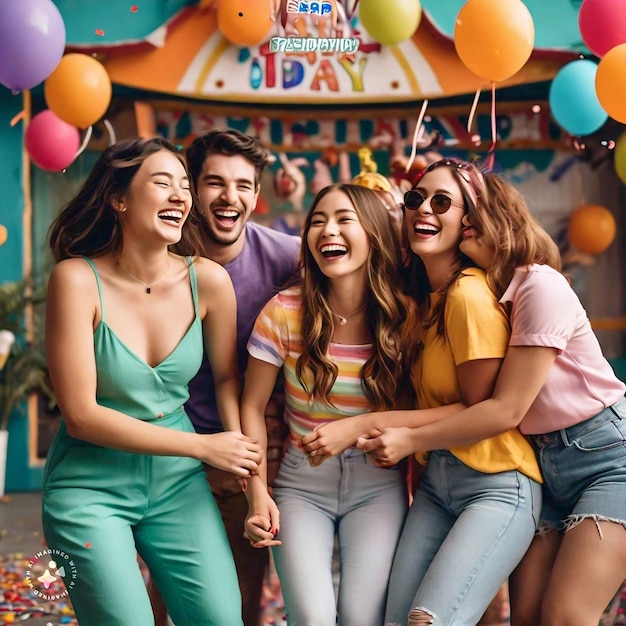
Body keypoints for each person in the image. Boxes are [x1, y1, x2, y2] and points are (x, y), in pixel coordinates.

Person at [359, 171, 626, 626]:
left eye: (464, 214)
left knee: (566, 615)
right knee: (524, 616)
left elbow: (505, 409)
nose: (463, 228)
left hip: (605, 458)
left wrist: (407, 439)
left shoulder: (538, 284)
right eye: (418, 200)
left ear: (502, 217)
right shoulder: (491, 292)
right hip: (547, 463)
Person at [302, 158, 543, 626]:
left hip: (495, 481)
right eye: (415, 199)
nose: (423, 209)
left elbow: (486, 410)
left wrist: (372, 427)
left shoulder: (468, 295)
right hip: (439, 485)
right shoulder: (424, 300)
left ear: (468, 220)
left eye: (441, 201)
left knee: (426, 620)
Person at [42, 137, 262, 625]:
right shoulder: (75, 281)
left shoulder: (208, 281)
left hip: (176, 486)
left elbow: (227, 380)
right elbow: (81, 416)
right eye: (162, 182)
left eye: (185, 184)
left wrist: (251, 481)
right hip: (88, 486)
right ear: (118, 198)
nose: (180, 195)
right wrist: (204, 449)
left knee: (222, 618)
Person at [240, 183, 416, 626]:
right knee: (313, 618)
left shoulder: (406, 316)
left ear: (374, 233)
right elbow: (252, 407)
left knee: (361, 618)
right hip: (301, 485)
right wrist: (257, 493)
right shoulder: (283, 312)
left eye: (342, 219)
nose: (326, 230)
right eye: (317, 221)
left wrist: (356, 431)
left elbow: (428, 409)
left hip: (378, 486)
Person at [148, 129, 301, 626]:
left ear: (256, 196)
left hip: (247, 442)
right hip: (169, 442)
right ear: (191, 189)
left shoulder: (287, 257)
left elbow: (365, 263)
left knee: (243, 582)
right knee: (161, 584)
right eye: (214, 183)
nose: (229, 197)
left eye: (242, 185)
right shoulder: (159, 253)